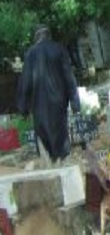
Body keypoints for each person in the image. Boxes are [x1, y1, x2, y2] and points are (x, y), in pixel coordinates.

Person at [16, 25, 81, 164]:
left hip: (38, 104)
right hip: (59, 101)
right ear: (49, 36)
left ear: (36, 38)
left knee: (44, 139)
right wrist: (75, 103)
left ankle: (49, 165)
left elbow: (26, 82)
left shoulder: (30, 53)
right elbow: (69, 77)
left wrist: (23, 108)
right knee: (61, 135)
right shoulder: (59, 49)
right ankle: (63, 164)